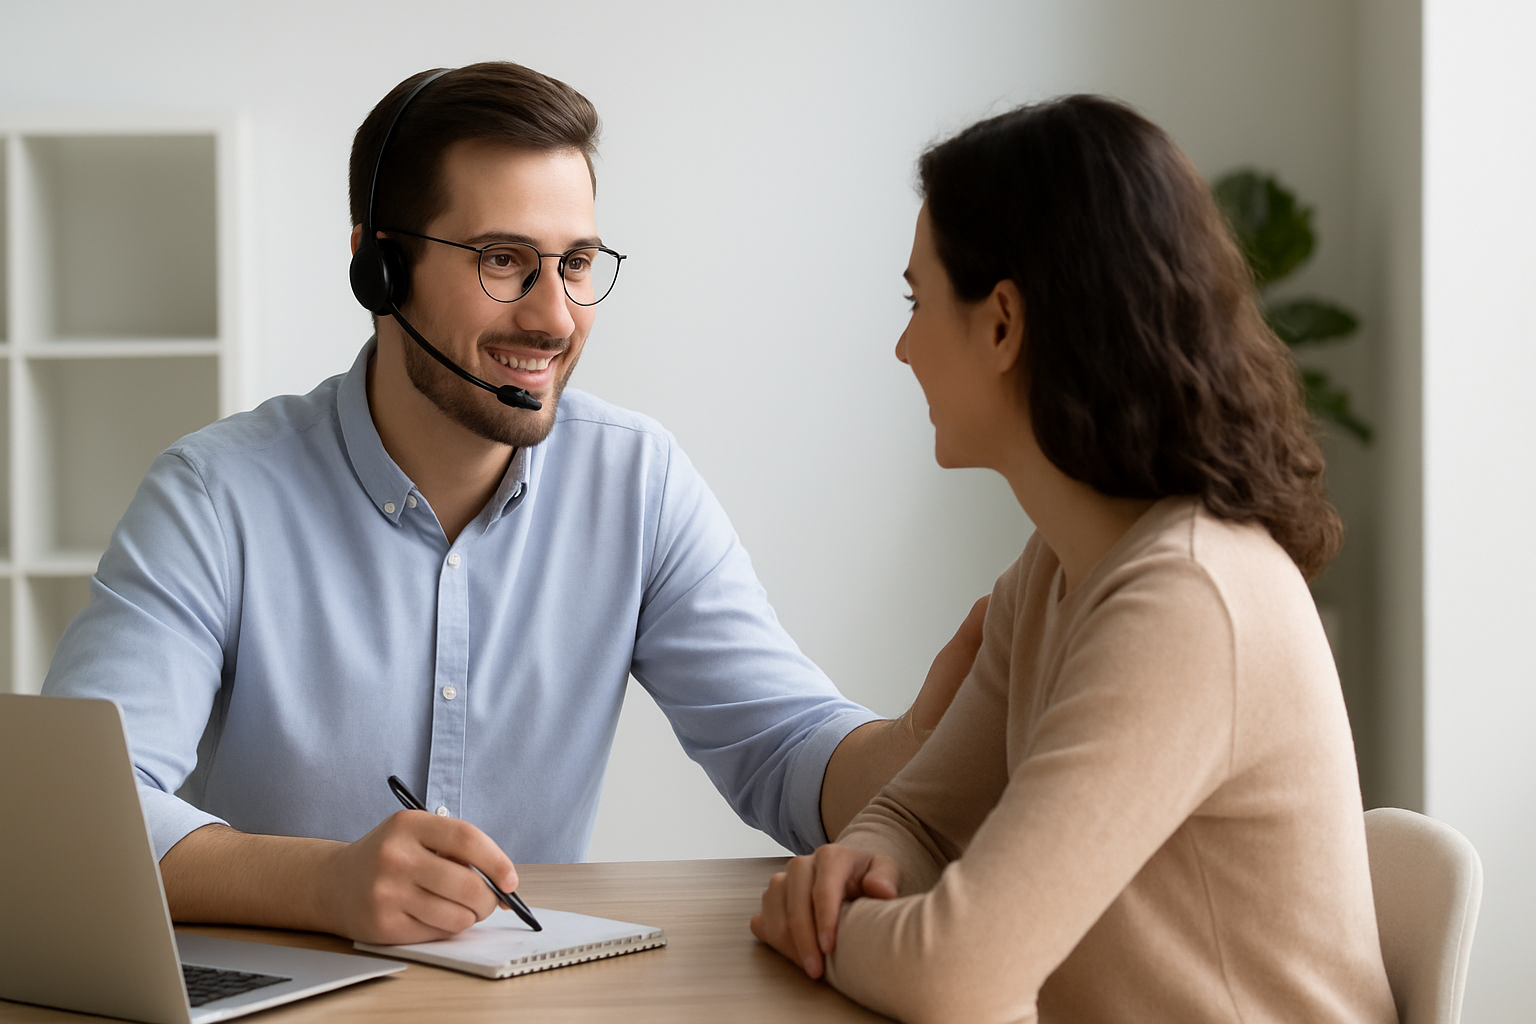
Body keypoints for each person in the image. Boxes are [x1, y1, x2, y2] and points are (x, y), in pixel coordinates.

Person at [40, 62, 984, 946]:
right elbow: (76, 820)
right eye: (503, 260)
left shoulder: (636, 482)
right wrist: (326, 885)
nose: (555, 317)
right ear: (379, 268)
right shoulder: (215, 496)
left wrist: (925, 751)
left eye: (576, 263)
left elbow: (781, 745)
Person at [750, 96, 1398, 1024]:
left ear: (1003, 323)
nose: (901, 346)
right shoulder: (1055, 570)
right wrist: (871, 871)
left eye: (916, 299)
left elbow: (955, 976)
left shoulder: (1189, 598)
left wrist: (818, 926)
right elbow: (920, 817)